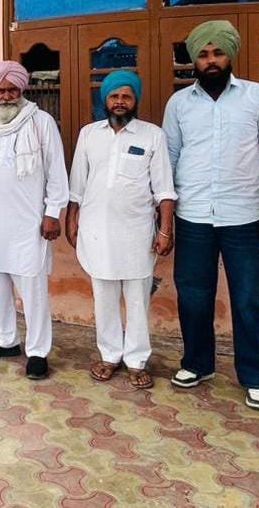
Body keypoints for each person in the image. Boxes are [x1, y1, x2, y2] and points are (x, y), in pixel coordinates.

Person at [161, 19, 259, 411]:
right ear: (194, 61)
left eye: (217, 53)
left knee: (248, 298)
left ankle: (258, 377)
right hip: (193, 213)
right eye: (203, 54)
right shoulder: (179, 104)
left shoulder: (256, 96)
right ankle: (197, 364)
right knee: (193, 295)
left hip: (243, 214)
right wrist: (164, 211)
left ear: (230, 55)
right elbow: (169, 156)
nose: (211, 60)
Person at [66, 69, 175, 389]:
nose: (119, 101)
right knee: (104, 296)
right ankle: (110, 355)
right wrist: (72, 219)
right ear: (105, 100)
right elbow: (77, 185)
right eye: (114, 96)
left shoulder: (152, 135)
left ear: (135, 100)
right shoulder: (89, 134)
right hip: (96, 230)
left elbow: (164, 189)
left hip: (137, 232)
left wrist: (165, 230)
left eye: (126, 96)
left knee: (138, 298)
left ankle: (137, 360)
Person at [0, 60, 69, 380]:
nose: (7, 95)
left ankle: (37, 351)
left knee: (33, 290)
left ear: (22, 89)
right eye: (1, 90)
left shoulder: (41, 122)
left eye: (12, 90)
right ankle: (6, 340)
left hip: (28, 223)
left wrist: (52, 213)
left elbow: (56, 171)